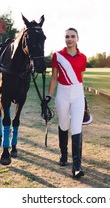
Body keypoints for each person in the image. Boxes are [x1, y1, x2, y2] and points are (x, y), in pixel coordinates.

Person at [43, 27, 87, 178]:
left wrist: (84, 98)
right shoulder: (57, 55)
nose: (69, 39)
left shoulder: (83, 57)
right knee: (63, 125)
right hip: (62, 93)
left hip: (77, 94)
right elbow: (54, 77)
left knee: (76, 127)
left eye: (72, 36)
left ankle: (77, 166)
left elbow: (80, 77)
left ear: (77, 39)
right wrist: (48, 96)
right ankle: (63, 154)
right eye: (67, 36)